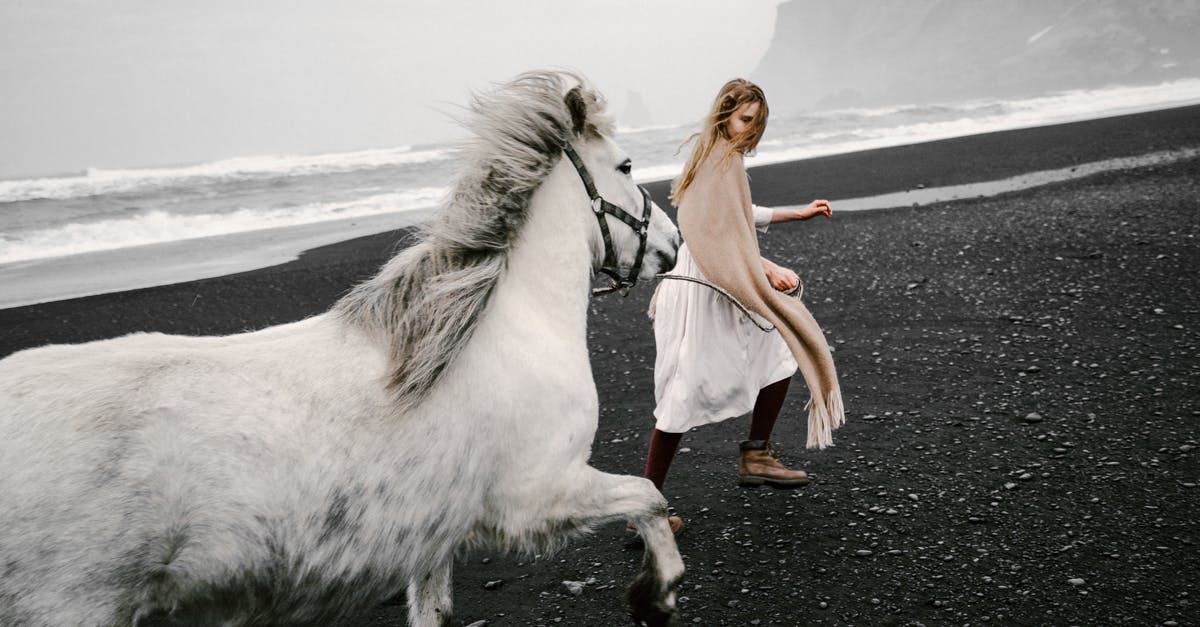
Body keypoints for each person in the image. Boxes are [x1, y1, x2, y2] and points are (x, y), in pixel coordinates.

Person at [642, 79, 845, 534]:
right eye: (745, 120)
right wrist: (763, 266)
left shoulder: (719, 155)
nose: (751, 130)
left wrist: (799, 212)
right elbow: (704, 232)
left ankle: (756, 454)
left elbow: (737, 214)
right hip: (704, 283)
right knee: (683, 393)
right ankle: (645, 514)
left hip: (726, 273)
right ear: (725, 113)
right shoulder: (717, 158)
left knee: (779, 353)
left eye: (758, 123)